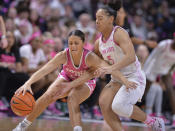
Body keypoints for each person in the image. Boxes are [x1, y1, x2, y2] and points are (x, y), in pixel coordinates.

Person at [58, 1, 165, 131]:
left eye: (100, 18)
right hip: (116, 79)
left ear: (111, 19)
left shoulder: (119, 33)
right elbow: (92, 65)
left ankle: (154, 122)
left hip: (133, 76)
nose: (97, 21)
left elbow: (130, 57)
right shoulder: (98, 43)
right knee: (104, 103)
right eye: (96, 18)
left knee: (118, 106)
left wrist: (110, 68)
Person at [12, 29, 134, 131]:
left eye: (76, 43)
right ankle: (23, 125)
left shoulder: (90, 57)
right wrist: (28, 82)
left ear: (83, 43)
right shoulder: (63, 55)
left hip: (85, 82)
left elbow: (110, 68)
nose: (73, 46)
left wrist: (125, 80)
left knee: (72, 98)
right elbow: (45, 69)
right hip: (67, 77)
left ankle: (77, 129)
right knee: (47, 96)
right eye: (70, 43)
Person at [144, 32, 175, 127]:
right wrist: (145, 73)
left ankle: (174, 118)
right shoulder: (164, 44)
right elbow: (151, 57)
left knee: (170, 90)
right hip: (153, 68)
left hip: (165, 70)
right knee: (144, 90)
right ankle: (138, 111)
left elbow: (173, 66)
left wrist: (169, 74)